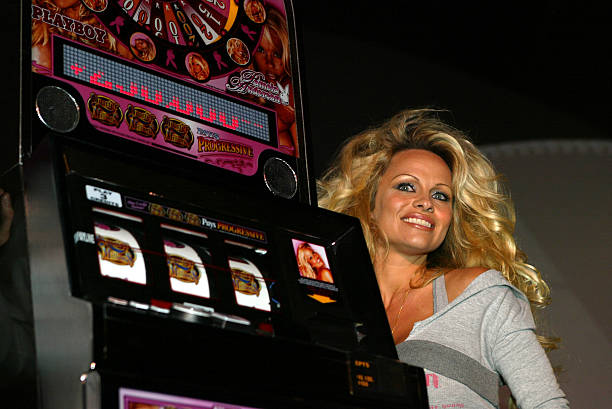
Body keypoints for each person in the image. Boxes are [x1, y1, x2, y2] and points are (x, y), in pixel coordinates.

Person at [317, 109, 569, 408]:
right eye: (406, 186)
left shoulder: (482, 296)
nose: (425, 202)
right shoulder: (328, 303)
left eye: (440, 195)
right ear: (370, 203)